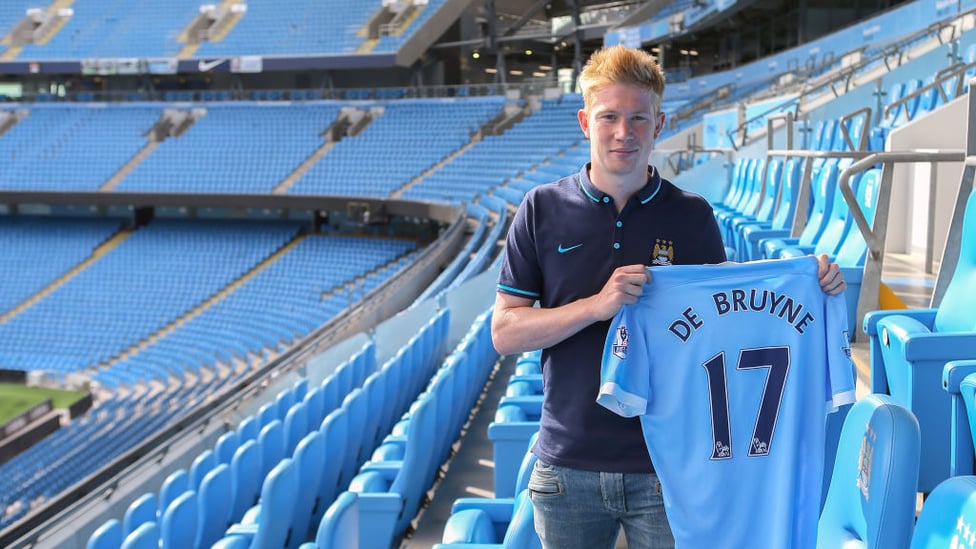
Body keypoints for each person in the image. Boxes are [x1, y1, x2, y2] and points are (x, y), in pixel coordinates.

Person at [491, 44, 846, 549]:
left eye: (639, 118)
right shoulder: (540, 209)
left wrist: (815, 282)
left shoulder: (691, 215)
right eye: (609, 116)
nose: (623, 132)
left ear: (659, 125)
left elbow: (732, 321)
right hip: (567, 463)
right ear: (584, 122)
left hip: (670, 467)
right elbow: (505, 333)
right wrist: (596, 306)